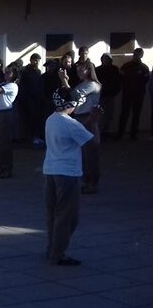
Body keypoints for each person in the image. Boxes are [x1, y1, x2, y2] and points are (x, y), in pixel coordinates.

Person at [44, 88, 101, 266]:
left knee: (53, 214)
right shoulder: (70, 124)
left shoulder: (51, 119)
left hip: (50, 171)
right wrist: (94, 122)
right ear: (72, 105)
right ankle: (57, 254)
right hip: (68, 173)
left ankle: (52, 249)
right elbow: (94, 143)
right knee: (67, 217)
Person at [65, 62, 102, 193]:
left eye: (81, 69)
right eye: (78, 70)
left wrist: (65, 81)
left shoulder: (92, 85)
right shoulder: (83, 84)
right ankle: (86, 180)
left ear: (88, 70)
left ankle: (92, 182)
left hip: (88, 118)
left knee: (90, 151)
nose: (79, 72)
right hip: (80, 117)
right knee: (83, 152)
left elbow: (73, 95)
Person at [116, 48, 150, 141]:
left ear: (141, 55)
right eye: (135, 54)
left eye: (138, 54)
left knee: (136, 114)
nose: (136, 56)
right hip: (127, 93)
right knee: (124, 114)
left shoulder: (144, 68)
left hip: (139, 94)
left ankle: (133, 134)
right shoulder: (126, 66)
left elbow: (145, 81)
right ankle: (120, 134)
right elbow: (120, 78)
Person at [18, 54, 46, 145]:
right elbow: (22, 85)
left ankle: (35, 137)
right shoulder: (25, 71)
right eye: (35, 60)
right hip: (28, 99)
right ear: (31, 60)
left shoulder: (38, 71)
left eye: (38, 60)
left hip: (37, 99)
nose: (37, 62)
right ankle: (30, 138)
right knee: (29, 119)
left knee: (36, 118)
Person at [95, 54, 122, 138]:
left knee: (109, 115)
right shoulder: (97, 70)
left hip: (110, 95)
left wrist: (115, 92)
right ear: (101, 60)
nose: (105, 60)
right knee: (99, 115)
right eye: (104, 59)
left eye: (107, 59)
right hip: (100, 96)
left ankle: (105, 132)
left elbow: (118, 82)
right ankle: (99, 133)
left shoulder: (114, 69)